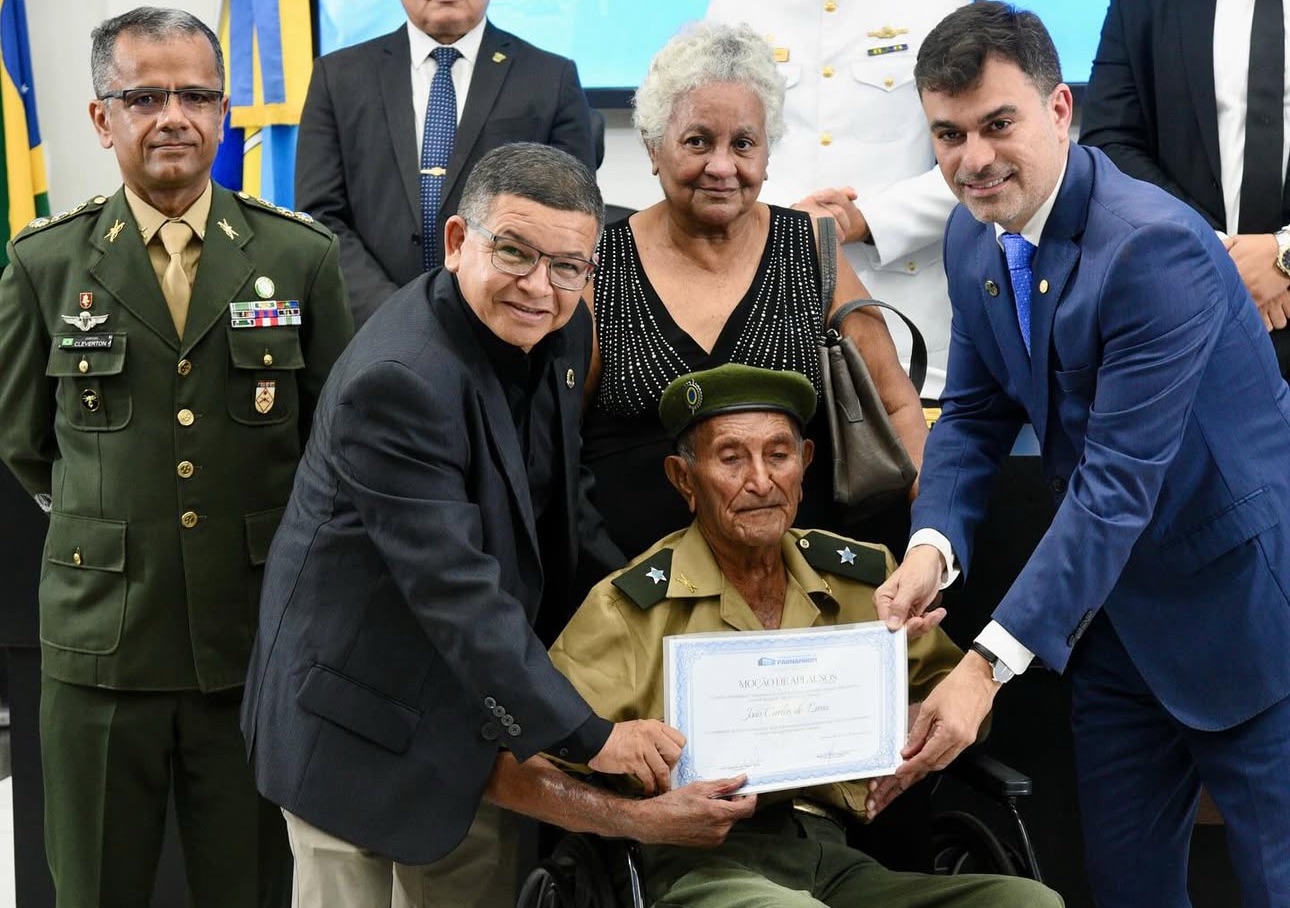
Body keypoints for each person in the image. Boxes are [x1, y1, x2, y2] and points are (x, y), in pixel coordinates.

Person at [873, 5, 1290, 907]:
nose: (972, 160)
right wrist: (931, 547)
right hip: (1108, 625)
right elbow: (976, 414)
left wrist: (982, 668)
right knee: (1125, 888)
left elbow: (1114, 488)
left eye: (997, 124)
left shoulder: (1153, 247)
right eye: (948, 134)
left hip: (1245, 614)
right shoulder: (969, 231)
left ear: (1061, 109)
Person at [240, 142, 716, 908]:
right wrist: (593, 736)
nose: (540, 286)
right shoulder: (398, 382)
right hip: (353, 725)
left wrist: (661, 616)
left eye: (568, 266)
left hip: (476, 725)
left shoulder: (562, 331)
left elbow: (563, 511)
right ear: (460, 241)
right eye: (516, 253)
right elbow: (456, 592)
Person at [0, 7, 353, 907]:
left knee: (252, 890)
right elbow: (24, 441)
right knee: (96, 889)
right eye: (145, 95)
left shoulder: (297, 254)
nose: (173, 116)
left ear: (225, 112)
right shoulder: (45, 263)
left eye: (196, 95)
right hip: (101, 649)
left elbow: (328, 444)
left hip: (250, 643)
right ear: (101, 117)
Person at [544, 363, 1062, 908]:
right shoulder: (628, 607)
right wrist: (638, 816)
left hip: (837, 858)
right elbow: (522, 760)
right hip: (695, 866)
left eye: (778, 455)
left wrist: (912, 728)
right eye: (730, 458)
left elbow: (962, 712)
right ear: (683, 479)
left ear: (805, 464)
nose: (761, 481)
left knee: (1028, 902)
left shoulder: (866, 581)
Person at [583, 21, 927, 561]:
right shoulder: (600, 264)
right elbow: (554, 443)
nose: (722, 166)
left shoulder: (810, 247)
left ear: (767, 153)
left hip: (807, 592)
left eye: (743, 143)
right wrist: (596, 575)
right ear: (653, 148)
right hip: (634, 594)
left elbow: (895, 402)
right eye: (697, 141)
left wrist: (929, 543)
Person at [704, 0, 967, 400]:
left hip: (902, 309)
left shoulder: (941, 8)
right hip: (768, 295)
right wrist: (782, 222)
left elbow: (977, 163)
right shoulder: (732, 9)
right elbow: (709, 148)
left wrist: (869, 220)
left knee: (906, 452)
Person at [296, 0, 597, 328]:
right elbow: (320, 216)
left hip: (502, 327)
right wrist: (393, 312)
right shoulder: (338, 76)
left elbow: (571, 222)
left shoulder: (550, 78)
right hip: (373, 328)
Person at [1080, 0, 1290, 379]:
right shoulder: (1142, 8)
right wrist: (1215, 252)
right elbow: (1110, 142)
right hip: (1186, 317)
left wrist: (1284, 255)